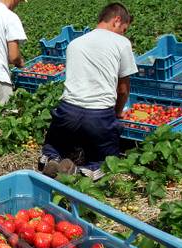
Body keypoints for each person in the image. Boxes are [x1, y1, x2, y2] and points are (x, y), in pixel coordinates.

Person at [39, 3, 137, 181]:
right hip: (98, 115)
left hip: (67, 111)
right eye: (124, 29)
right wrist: (116, 113)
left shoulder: (75, 43)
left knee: (55, 143)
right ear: (117, 20)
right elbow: (123, 89)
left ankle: (50, 158)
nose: (124, 33)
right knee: (107, 159)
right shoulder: (122, 43)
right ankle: (86, 172)